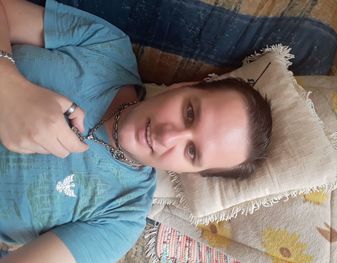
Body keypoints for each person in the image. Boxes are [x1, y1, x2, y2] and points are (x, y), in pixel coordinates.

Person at [0, 0, 272, 262]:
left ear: (191, 172)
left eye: (191, 151)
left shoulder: (121, 219)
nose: (168, 136)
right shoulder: (106, 46)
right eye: (190, 113)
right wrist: (9, 85)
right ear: (182, 87)